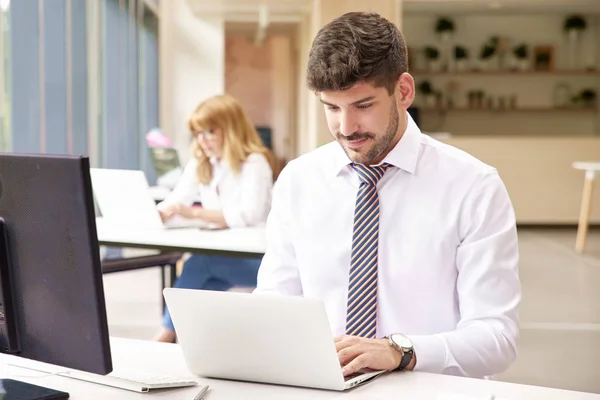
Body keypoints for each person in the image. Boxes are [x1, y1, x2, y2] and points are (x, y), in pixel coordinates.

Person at [254, 12, 521, 379]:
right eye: (332, 108)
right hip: (325, 385)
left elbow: (497, 339)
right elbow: (275, 299)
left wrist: (401, 351)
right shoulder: (298, 180)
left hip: (430, 389)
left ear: (404, 91)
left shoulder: (473, 187)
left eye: (363, 106)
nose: (346, 129)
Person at [155, 94, 276, 343]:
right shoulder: (202, 163)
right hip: (225, 254)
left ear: (230, 130)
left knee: (198, 265)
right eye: (198, 133)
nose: (202, 141)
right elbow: (178, 198)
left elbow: (248, 215)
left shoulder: (255, 163)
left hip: (258, 259)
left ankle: (165, 336)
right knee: (202, 286)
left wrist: (196, 213)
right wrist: (164, 212)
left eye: (209, 132)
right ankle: (190, 343)